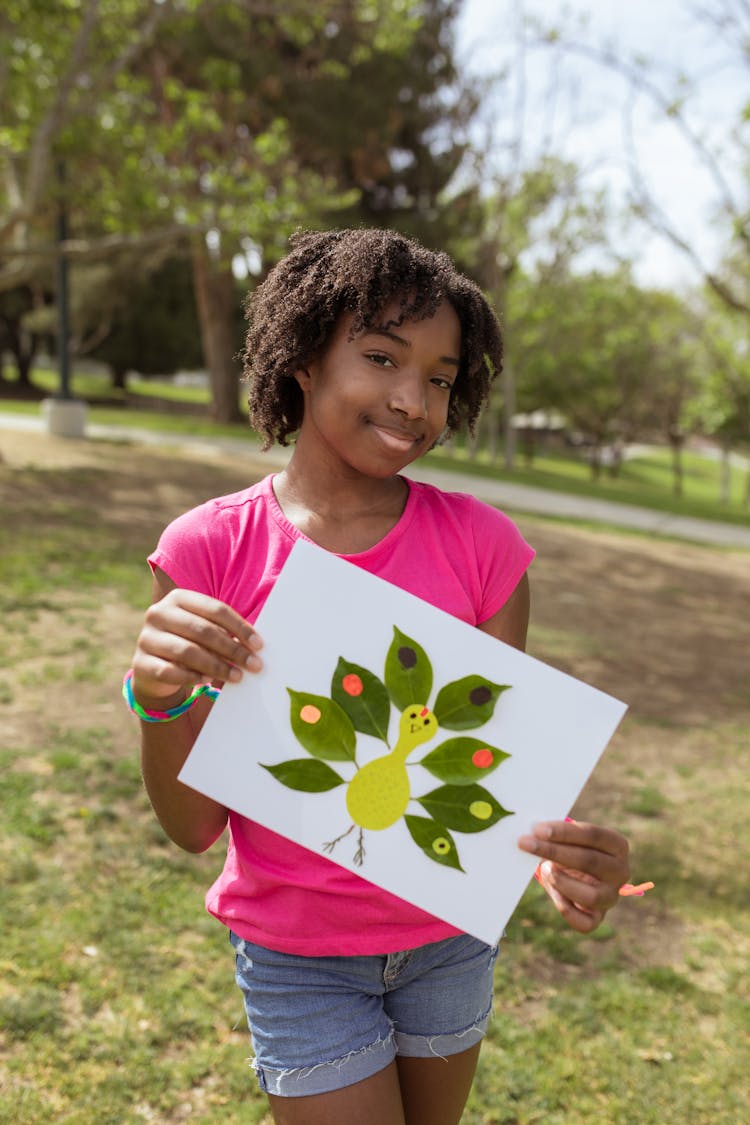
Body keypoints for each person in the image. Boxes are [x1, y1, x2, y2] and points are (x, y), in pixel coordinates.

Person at [126, 228, 630, 1125]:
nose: (413, 399)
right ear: (302, 358)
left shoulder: (488, 552)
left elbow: (486, 779)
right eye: (381, 357)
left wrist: (564, 865)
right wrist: (155, 702)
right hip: (299, 957)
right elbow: (193, 826)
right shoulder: (208, 550)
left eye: (439, 377)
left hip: (448, 949)